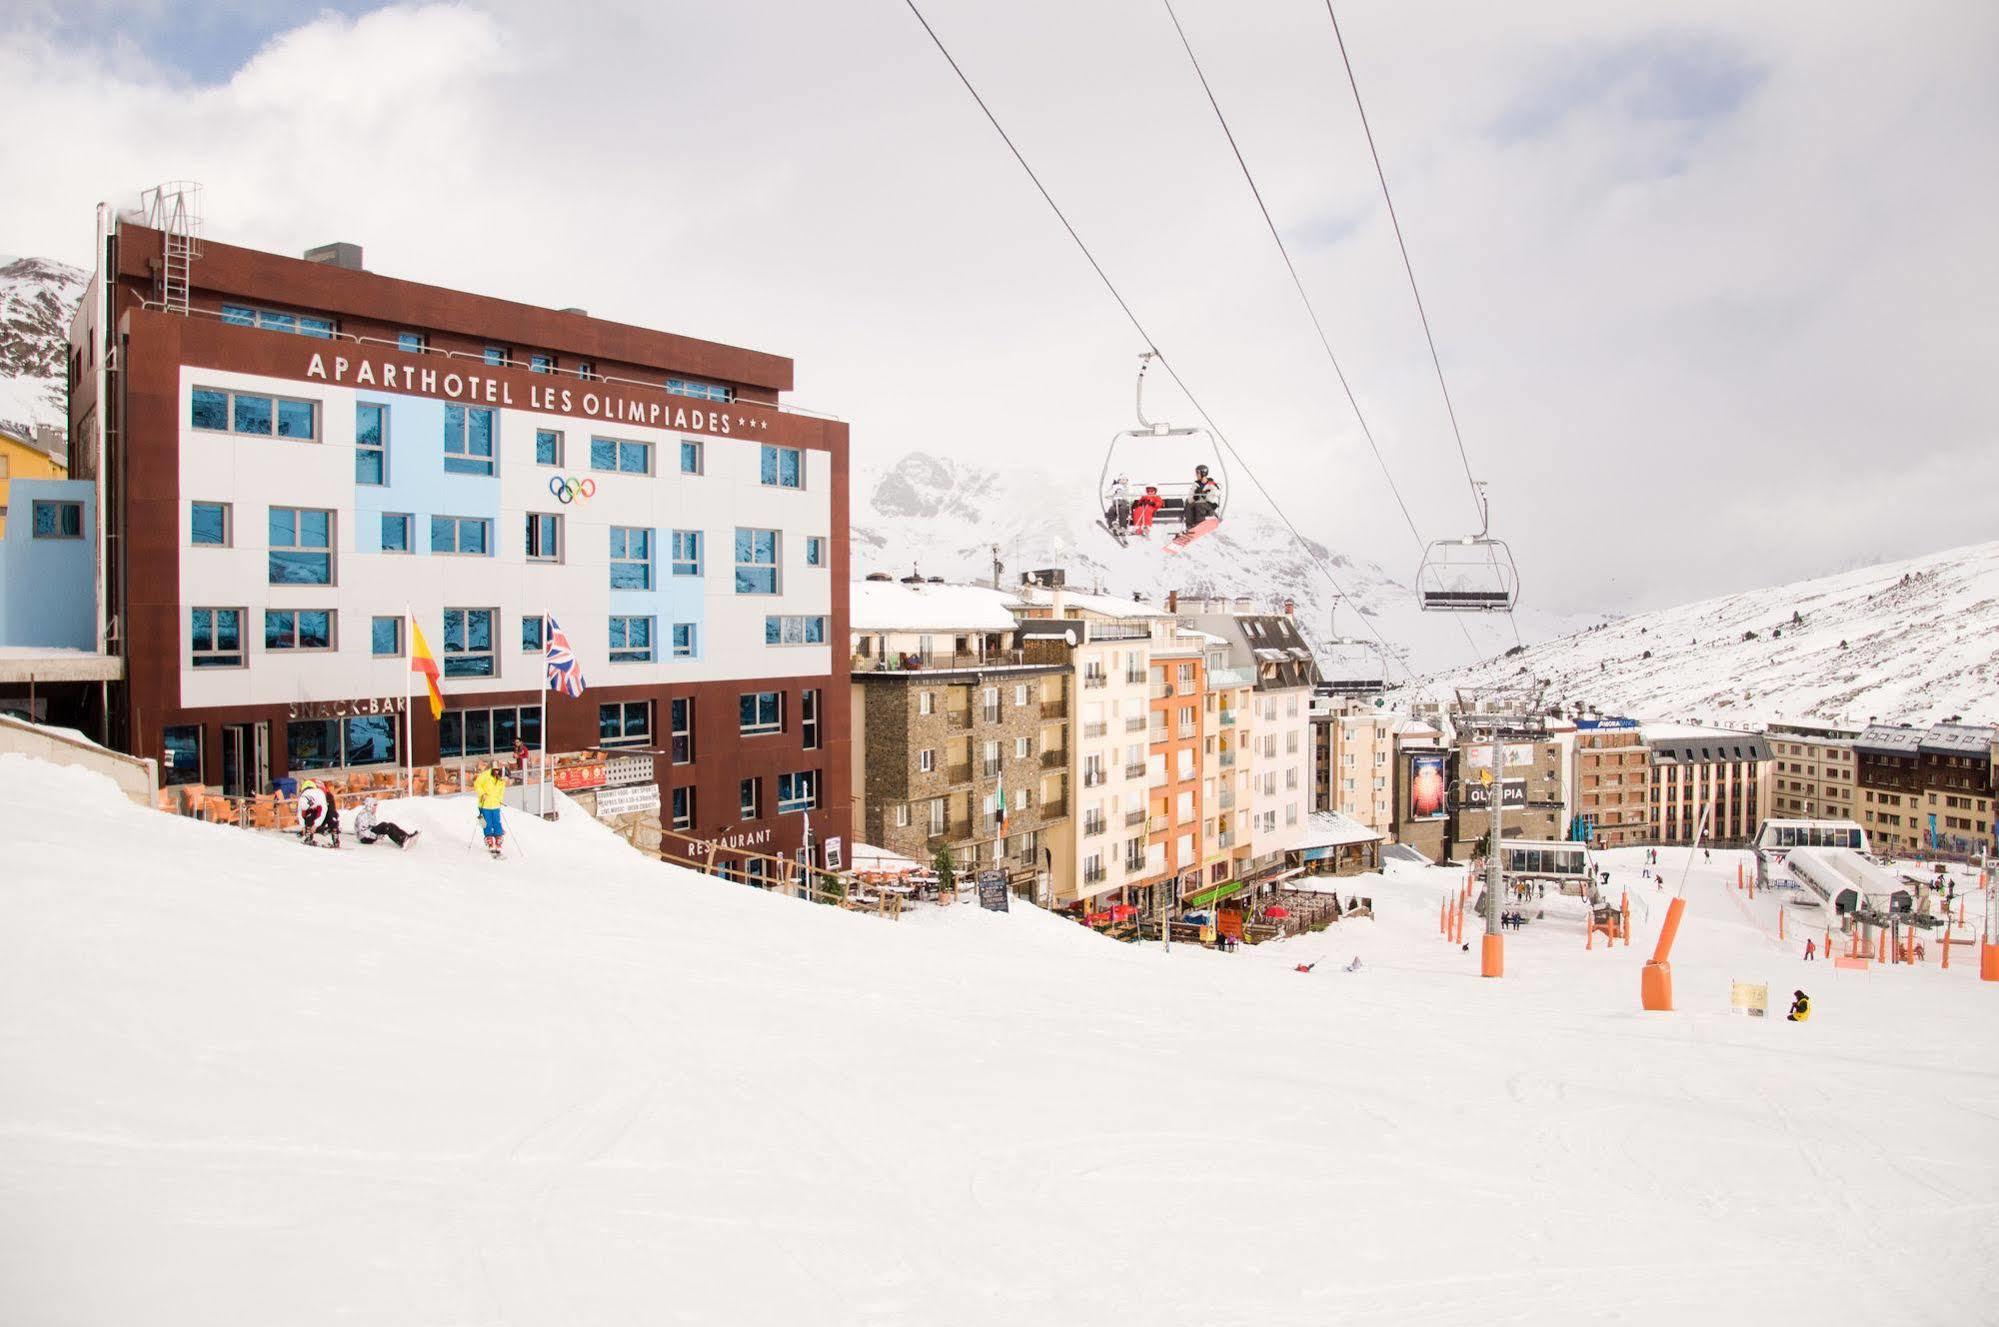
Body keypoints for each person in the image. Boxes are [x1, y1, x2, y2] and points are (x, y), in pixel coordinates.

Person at [472, 762, 508, 858]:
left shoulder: (501, 781)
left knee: (497, 822)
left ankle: (498, 838)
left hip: (495, 805)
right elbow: (477, 783)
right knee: (485, 822)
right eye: (501, 778)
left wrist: (500, 801)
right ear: (497, 772)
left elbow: (501, 792)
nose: (502, 780)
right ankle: (489, 839)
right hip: (484, 804)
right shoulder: (486, 775)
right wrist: (482, 793)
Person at [297, 779, 331, 847]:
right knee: (308, 817)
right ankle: (309, 835)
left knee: (331, 816)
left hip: (323, 801)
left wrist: (316, 825)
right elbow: (299, 814)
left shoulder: (320, 796)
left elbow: (324, 811)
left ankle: (333, 832)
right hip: (309, 795)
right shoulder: (301, 799)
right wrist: (303, 826)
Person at [1185, 464, 1220, 529]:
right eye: (1196, 472)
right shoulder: (1195, 484)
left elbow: (1216, 494)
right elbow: (1190, 499)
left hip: (1209, 506)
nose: (1196, 474)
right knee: (1189, 505)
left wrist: (1205, 494)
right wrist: (1195, 497)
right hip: (1199, 504)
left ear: (1203, 473)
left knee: (1199, 505)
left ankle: (1200, 524)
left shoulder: (1211, 484)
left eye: (1197, 473)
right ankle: (1189, 527)